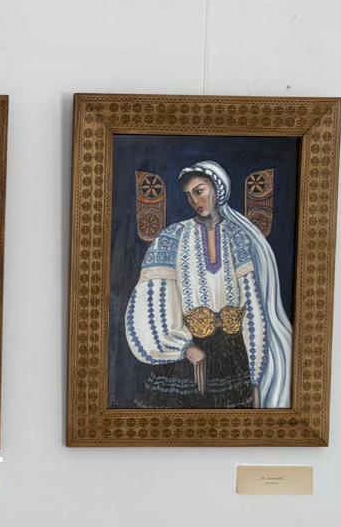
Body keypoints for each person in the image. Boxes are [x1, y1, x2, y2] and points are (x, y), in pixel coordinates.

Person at [123, 159, 293, 409]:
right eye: (188, 195)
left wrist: (256, 377)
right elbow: (153, 300)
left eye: (199, 191)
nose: (194, 201)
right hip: (188, 358)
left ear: (217, 189)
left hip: (234, 359)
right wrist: (184, 348)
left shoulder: (238, 237)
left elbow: (253, 307)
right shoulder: (172, 236)